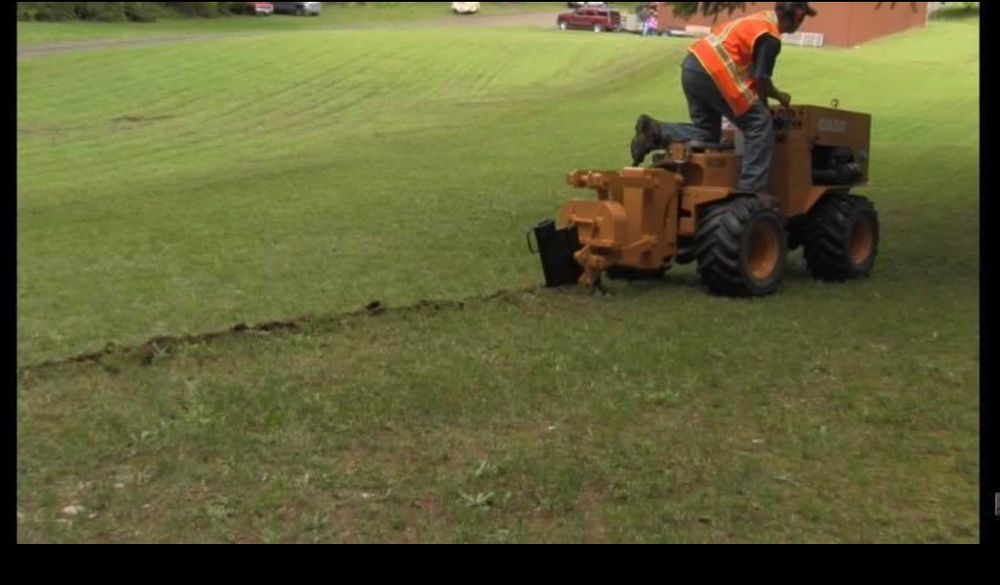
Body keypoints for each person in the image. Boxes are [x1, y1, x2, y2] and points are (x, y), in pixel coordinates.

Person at [629, 2, 818, 206]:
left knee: (708, 133)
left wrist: (778, 95)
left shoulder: (760, 20)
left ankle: (657, 131)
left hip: (693, 67)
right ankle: (750, 191)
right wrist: (763, 108)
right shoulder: (770, 37)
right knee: (760, 125)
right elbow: (760, 78)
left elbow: (757, 73)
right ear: (798, 17)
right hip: (715, 74)